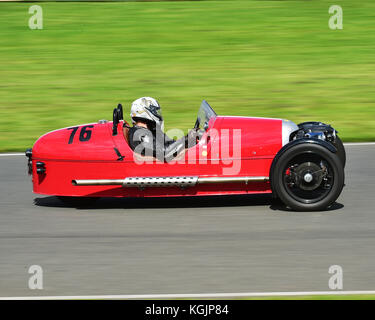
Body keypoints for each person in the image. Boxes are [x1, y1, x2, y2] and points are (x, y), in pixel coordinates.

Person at [128, 97, 200, 162]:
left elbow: (169, 143)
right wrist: (186, 139)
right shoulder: (140, 134)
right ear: (143, 112)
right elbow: (165, 153)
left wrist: (189, 141)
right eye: (155, 111)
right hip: (154, 170)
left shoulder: (150, 130)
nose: (157, 114)